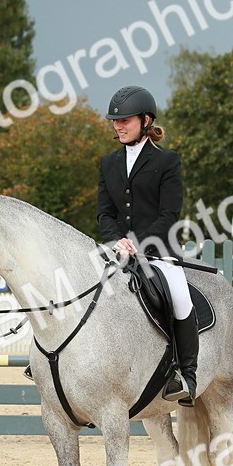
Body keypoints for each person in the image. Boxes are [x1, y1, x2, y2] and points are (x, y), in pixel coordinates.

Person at [97, 86, 198, 405]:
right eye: (115, 121)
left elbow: (170, 213)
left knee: (180, 298)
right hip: (116, 251)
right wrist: (117, 242)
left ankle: (186, 374)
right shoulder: (108, 163)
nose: (118, 126)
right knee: (73, 283)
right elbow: (105, 213)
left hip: (158, 251)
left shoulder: (168, 161)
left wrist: (137, 243)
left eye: (125, 120)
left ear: (145, 119)